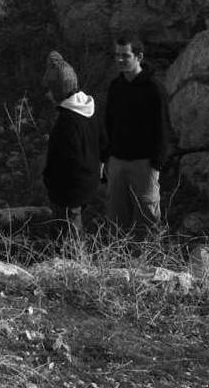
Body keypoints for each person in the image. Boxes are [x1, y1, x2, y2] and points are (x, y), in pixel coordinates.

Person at [104, 35, 169, 233]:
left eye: (126, 55)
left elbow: (163, 127)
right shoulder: (116, 86)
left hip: (144, 163)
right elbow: (109, 122)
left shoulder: (154, 88)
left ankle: (151, 260)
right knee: (116, 217)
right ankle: (117, 260)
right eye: (117, 55)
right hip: (117, 162)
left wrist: (156, 164)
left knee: (147, 218)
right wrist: (107, 156)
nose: (120, 60)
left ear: (139, 56)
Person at [40, 50, 108, 237]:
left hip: (70, 191)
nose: (47, 95)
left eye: (49, 90)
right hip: (90, 181)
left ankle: (77, 262)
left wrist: (49, 183)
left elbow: (60, 163)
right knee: (73, 224)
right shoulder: (89, 109)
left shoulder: (66, 122)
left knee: (71, 233)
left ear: (57, 90)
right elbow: (104, 145)